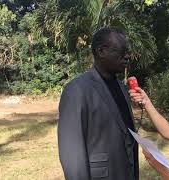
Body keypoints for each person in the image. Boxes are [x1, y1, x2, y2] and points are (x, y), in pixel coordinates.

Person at [58, 27, 139, 180]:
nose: (127, 56)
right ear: (101, 51)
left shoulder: (122, 87)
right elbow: (72, 154)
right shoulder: (77, 90)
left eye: (127, 52)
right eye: (122, 52)